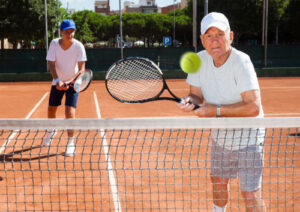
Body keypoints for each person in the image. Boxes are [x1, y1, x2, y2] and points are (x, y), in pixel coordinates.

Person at [177, 12, 266, 212]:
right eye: (209, 35)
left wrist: (215, 111)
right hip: (221, 135)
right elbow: (196, 95)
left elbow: (253, 106)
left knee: (250, 192)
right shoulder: (197, 61)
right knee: (217, 181)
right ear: (202, 40)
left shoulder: (241, 62)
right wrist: (190, 101)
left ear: (230, 36)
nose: (214, 40)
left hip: (249, 136)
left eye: (219, 34)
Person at [44, 19, 87, 157]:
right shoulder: (54, 44)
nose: (70, 34)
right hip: (57, 81)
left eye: (72, 31)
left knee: (69, 112)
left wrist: (71, 81)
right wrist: (57, 80)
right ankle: (51, 130)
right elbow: (51, 64)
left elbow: (82, 68)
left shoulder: (79, 46)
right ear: (61, 32)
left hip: (73, 83)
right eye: (67, 31)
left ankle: (70, 142)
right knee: (51, 109)